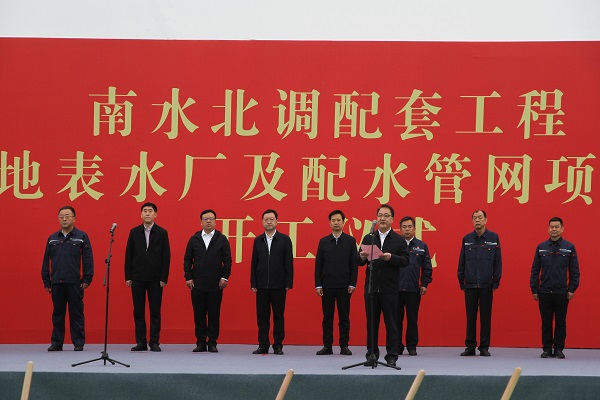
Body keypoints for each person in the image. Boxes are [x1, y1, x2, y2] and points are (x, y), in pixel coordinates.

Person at [358, 204, 409, 367]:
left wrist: (391, 258)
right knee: (372, 324)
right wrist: (362, 257)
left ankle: (392, 356)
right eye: (380, 215)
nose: (382, 218)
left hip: (390, 289)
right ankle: (371, 354)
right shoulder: (369, 238)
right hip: (371, 288)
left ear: (392, 219)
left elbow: (405, 260)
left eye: (386, 216)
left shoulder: (398, 240)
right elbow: (358, 261)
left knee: (391, 324)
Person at [42, 206, 94, 352]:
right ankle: (57, 342)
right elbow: (46, 261)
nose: (64, 219)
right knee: (58, 314)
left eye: (67, 216)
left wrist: (87, 279)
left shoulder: (81, 236)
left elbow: (88, 259)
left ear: (74, 218)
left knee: (76, 313)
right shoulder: (52, 238)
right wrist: (46, 280)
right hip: (57, 282)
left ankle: (78, 342)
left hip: (74, 282)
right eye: (61, 216)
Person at [530, 217, 580, 359]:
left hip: (561, 292)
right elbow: (535, 270)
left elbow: (574, 270)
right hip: (544, 291)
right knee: (546, 322)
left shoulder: (569, 247)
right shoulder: (541, 247)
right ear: (548, 229)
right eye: (551, 227)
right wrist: (534, 289)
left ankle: (558, 349)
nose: (554, 229)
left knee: (560, 322)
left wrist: (572, 289)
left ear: (562, 229)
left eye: (557, 227)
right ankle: (546, 348)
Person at [184, 209, 232, 353]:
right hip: (197, 283)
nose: (208, 221)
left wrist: (224, 277)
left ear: (216, 222)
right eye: (205, 219)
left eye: (211, 219)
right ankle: (200, 342)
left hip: (215, 284)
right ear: (201, 222)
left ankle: (212, 342)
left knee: (213, 314)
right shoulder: (194, 239)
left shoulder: (221, 239)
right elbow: (187, 259)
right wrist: (188, 277)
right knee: (199, 314)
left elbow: (227, 260)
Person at [124, 202, 171, 352]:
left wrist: (164, 277)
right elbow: (128, 255)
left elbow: (166, 256)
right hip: (137, 277)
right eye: (145, 211)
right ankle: (141, 341)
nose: (147, 213)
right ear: (141, 214)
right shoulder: (134, 232)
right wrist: (128, 276)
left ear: (155, 214)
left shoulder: (162, 232)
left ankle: (154, 341)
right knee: (138, 311)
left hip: (156, 278)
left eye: (150, 211)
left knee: (155, 311)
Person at [457, 209, 502, 357]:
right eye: (475, 218)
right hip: (470, 284)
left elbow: (497, 261)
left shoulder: (493, 237)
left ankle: (484, 347)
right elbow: (462, 261)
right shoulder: (467, 238)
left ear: (485, 220)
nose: (477, 220)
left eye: (480, 217)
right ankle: (470, 346)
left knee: (485, 317)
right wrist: (461, 280)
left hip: (486, 284)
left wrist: (495, 281)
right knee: (470, 317)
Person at [314, 210, 359, 356]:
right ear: (329, 223)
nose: (336, 223)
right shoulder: (323, 241)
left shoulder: (350, 241)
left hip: (344, 286)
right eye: (333, 220)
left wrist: (352, 283)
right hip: (327, 285)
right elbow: (318, 264)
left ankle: (344, 345)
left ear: (343, 222)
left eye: (339, 220)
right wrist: (318, 284)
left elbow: (354, 264)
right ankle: (327, 346)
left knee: (344, 317)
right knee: (327, 318)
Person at [250, 209, 294, 355]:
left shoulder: (284, 240)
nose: (269, 222)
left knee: (278, 316)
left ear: (277, 221)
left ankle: (278, 345)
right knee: (262, 317)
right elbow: (254, 263)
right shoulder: (258, 240)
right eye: (266, 219)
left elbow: (288, 263)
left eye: (271, 219)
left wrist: (288, 282)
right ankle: (263, 345)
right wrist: (253, 282)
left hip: (279, 285)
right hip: (261, 285)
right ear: (262, 222)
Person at [397, 216, 433, 356]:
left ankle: (411, 346)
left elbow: (427, 266)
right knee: (396, 320)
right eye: (404, 227)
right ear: (400, 229)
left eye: (409, 226)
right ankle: (397, 346)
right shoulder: (396, 245)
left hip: (413, 289)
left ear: (414, 228)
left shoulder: (421, 246)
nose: (407, 229)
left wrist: (424, 284)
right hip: (396, 289)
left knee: (412, 319)